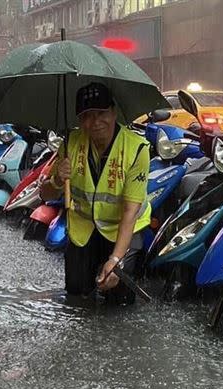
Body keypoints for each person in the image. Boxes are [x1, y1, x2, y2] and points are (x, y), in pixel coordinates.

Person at [39, 82, 151, 304]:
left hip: (124, 228)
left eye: (102, 113)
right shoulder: (70, 143)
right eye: (88, 116)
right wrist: (58, 179)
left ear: (114, 112)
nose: (96, 122)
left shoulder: (137, 149)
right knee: (76, 295)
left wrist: (116, 259)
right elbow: (45, 195)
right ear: (80, 121)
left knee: (118, 296)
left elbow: (130, 212)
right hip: (83, 231)